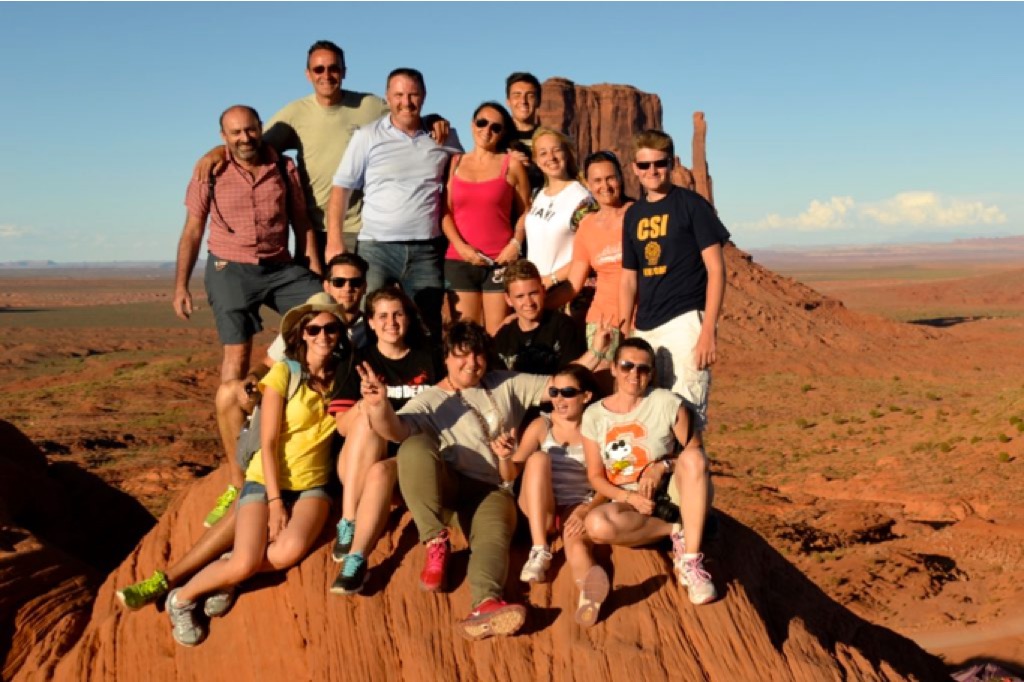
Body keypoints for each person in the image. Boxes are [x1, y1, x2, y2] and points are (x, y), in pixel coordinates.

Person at [162, 294, 360, 646]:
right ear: (302, 335)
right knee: (244, 562)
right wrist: (274, 501)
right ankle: (181, 598)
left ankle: (232, 570)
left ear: (340, 333)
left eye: (331, 328)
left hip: (313, 485)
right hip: (266, 481)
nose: (323, 335)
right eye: (314, 329)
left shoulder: (345, 377)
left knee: (285, 553)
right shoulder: (284, 373)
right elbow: (267, 443)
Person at [357, 321, 552, 640]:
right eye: (462, 355)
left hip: (491, 491)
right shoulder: (432, 399)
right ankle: (435, 539)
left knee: (493, 538)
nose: (472, 363)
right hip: (446, 490)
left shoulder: (505, 383)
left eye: (478, 356)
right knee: (414, 446)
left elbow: (557, 387)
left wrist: (601, 357)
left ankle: (485, 604)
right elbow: (395, 430)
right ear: (446, 357)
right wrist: (379, 406)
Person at [193, 41, 449, 256]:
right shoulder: (294, 114)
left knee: (364, 305)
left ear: (344, 71)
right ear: (308, 74)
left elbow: (404, 114)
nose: (326, 75)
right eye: (319, 69)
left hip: (363, 227)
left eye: (333, 68)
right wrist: (218, 151)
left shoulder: (369, 105)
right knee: (323, 304)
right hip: (315, 228)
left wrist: (432, 119)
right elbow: (253, 144)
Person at [202, 253, 369, 528]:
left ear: (364, 286)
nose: (346, 289)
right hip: (292, 401)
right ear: (326, 285)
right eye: (338, 282)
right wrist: (253, 379)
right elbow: (267, 364)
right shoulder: (307, 319)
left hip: (333, 416)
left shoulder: (371, 327)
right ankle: (238, 484)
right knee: (228, 393)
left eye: (354, 282)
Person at [173, 105, 323, 385]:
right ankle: (234, 424)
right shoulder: (210, 171)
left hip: (280, 267)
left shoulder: (282, 166)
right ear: (223, 136)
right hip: (229, 267)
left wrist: (313, 268)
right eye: (236, 132)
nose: (245, 137)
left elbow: (301, 223)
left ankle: (291, 393)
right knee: (237, 354)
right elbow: (193, 231)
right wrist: (181, 286)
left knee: (323, 313)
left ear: (261, 128)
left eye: (250, 129)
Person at [327, 67, 462, 339]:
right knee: (368, 323)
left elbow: (464, 177)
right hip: (376, 248)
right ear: (387, 97)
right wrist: (334, 240)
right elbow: (341, 189)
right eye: (399, 94)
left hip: (426, 248)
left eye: (413, 94)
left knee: (426, 325)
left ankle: (425, 380)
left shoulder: (443, 136)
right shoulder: (368, 136)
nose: (406, 102)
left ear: (424, 96)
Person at [581, 338, 717, 605]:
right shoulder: (594, 415)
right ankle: (676, 530)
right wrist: (629, 498)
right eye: (627, 366)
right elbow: (595, 476)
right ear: (613, 368)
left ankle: (690, 561)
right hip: (630, 502)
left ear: (651, 373)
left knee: (692, 459)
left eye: (643, 369)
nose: (634, 374)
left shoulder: (667, 403)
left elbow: (696, 455)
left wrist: (661, 467)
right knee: (597, 526)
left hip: (672, 493)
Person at [330, 286, 443, 594]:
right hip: (359, 463)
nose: (390, 322)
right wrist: (366, 402)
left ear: (408, 318)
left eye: (397, 314)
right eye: (382, 316)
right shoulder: (358, 360)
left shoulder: (429, 358)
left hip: (406, 461)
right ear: (370, 321)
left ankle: (355, 561)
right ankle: (349, 520)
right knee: (368, 414)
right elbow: (342, 428)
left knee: (382, 469)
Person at [619, 129, 730, 432]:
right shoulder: (633, 215)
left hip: (685, 324)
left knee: (686, 417)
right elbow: (629, 277)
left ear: (670, 164)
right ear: (634, 168)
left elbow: (717, 270)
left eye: (659, 163)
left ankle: (690, 478)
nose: (652, 171)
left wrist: (708, 331)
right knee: (648, 419)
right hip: (644, 327)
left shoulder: (692, 205)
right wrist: (624, 328)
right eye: (644, 165)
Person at [499, 364, 611, 627]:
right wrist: (504, 456)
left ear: (586, 396)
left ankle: (589, 593)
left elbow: (607, 479)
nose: (559, 399)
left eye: (568, 392)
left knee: (577, 545)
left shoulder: (598, 428)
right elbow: (511, 472)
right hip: (539, 506)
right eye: (554, 392)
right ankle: (540, 550)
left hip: (577, 504)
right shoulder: (542, 424)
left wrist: (588, 508)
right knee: (537, 459)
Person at [441, 102, 530, 336]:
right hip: (459, 260)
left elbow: (525, 212)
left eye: (496, 127)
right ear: (472, 125)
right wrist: (462, 247)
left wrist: (515, 244)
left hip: (500, 261)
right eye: (482, 122)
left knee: (497, 336)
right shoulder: (455, 163)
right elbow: (445, 212)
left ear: (502, 133)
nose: (487, 130)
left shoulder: (511, 165)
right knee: (464, 336)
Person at [562, 151, 633, 377]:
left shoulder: (638, 215)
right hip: (602, 325)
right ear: (588, 184)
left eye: (610, 178)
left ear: (621, 178)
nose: (605, 185)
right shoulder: (587, 226)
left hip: (643, 320)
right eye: (597, 180)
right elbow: (574, 282)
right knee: (605, 392)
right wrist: (538, 303)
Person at [492, 259, 614, 376]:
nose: (529, 302)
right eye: (520, 296)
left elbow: (573, 375)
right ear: (508, 299)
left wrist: (597, 351)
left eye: (533, 293)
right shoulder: (504, 335)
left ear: (543, 291)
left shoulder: (563, 326)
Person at [524, 128, 597, 311]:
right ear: (536, 161)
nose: (551, 157)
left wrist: (552, 279)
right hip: (536, 292)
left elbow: (591, 252)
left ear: (566, 153)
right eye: (543, 153)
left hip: (566, 293)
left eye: (556, 150)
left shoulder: (582, 199)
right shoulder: (538, 194)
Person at [504, 72, 545, 192]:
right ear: (508, 101)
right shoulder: (497, 137)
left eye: (530, 95)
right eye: (517, 95)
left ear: (538, 101)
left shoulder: (550, 139)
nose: (523, 101)